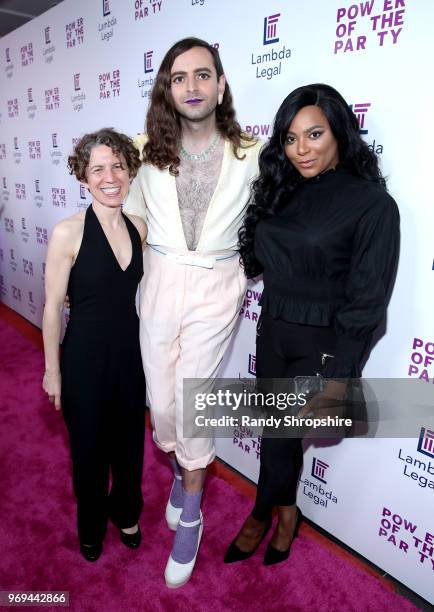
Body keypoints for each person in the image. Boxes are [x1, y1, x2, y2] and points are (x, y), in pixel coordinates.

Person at [224, 83, 400, 566]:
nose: (301, 149)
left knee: (279, 436)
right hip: (273, 331)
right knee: (274, 433)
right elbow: (259, 260)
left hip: (322, 344)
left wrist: (340, 378)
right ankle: (286, 512)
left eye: (314, 134)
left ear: (340, 132)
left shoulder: (372, 205)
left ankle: (263, 514)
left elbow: (368, 302)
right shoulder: (282, 190)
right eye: (290, 138)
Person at [124, 37, 262, 587]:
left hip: (216, 281)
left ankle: (194, 511)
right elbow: (131, 218)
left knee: (194, 396)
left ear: (221, 84)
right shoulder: (142, 149)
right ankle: (182, 477)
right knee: (161, 401)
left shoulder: (251, 153)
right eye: (180, 78)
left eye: (203, 75)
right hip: (158, 279)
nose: (193, 87)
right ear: (168, 89)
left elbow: (271, 219)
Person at [42, 128, 147, 562]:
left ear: (130, 172)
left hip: (130, 354)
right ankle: (90, 525)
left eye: (118, 166)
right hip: (84, 356)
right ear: (83, 178)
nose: (110, 176)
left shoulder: (139, 227)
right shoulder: (67, 232)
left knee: (129, 446)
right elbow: (52, 308)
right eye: (98, 168)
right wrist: (53, 370)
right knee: (88, 451)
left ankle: (125, 512)